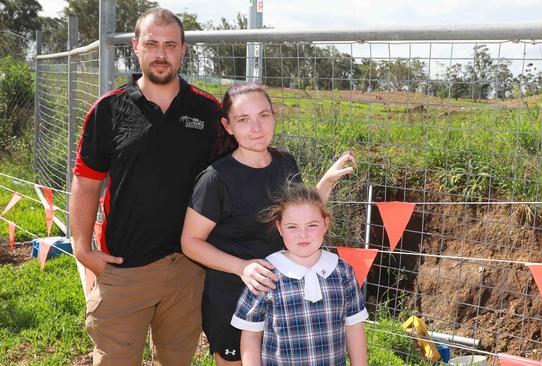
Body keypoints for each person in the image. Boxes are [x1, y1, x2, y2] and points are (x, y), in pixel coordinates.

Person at [70, 8, 222, 366]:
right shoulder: (108, 110)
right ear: (135, 47)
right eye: (151, 43)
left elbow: (228, 178)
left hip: (188, 267)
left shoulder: (207, 111)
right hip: (124, 268)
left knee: (176, 360)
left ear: (183, 50)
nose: (161, 53)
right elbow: (86, 182)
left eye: (170, 45)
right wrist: (81, 247)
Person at [181, 82, 355, 365]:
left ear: (274, 115)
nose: (256, 128)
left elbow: (298, 217)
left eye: (263, 116)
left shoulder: (285, 162)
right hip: (233, 299)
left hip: (283, 299)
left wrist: (326, 183)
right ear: (228, 126)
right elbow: (190, 242)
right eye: (243, 120)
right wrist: (242, 266)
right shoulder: (215, 179)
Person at [231, 184, 368, 366]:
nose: (302, 235)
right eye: (292, 227)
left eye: (312, 225)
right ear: (280, 228)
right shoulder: (266, 274)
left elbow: (354, 328)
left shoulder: (343, 271)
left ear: (326, 224)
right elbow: (251, 336)